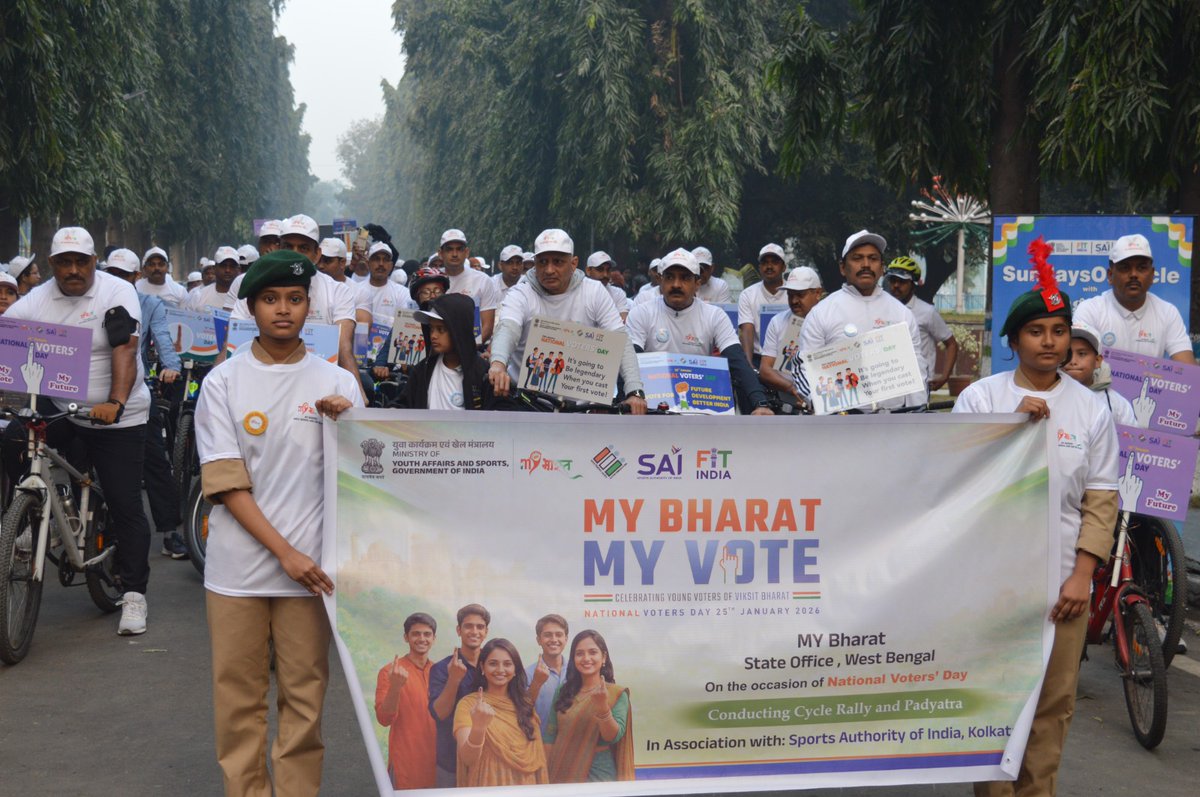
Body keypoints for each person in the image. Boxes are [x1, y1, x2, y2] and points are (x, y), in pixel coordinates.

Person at [194, 249, 363, 796]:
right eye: (270, 300)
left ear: (309, 306)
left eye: (294, 299)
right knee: (239, 703)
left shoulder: (337, 383)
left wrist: (351, 427)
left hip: (311, 575)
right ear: (251, 307)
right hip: (238, 571)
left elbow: (365, 478)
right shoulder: (222, 382)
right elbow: (227, 487)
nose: (283, 310)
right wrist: (285, 553)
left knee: (305, 700)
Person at [953, 239, 1118, 797]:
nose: (1050, 342)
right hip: (992, 581)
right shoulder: (981, 398)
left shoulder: (1091, 409)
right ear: (1013, 340)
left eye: (1058, 330)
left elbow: (1100, 499)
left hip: (1062, 586)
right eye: (1035, 331)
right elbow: (955, 484)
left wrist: (1082, 574)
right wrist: (1008, 428)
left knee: (1053, 706)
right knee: (996, 701)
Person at [4, 227, 153, 635]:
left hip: (117, 413)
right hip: (64, 409)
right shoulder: (39, 298)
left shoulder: (114, 292)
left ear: (93, 262)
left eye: (81, 262)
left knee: (125, 504)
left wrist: (116, 402)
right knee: (12, 438)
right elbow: (6, 335)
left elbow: (125, 346)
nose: (73, 270)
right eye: (63, 262)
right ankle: (25, 520)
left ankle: (135, 594)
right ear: (50, 264)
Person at [488, 229, 648, 413]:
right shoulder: (521, 292)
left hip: (582, 407)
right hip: (527, 403)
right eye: (542, 262)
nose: (549, 270)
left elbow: (620, 340)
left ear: (573, 263)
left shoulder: (594, 291)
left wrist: (635, 390)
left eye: (558, 262)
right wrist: (498, 364)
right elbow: (508, 327)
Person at [103, 249, 188, 559]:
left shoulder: (150, 304)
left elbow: (163, 338)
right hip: (89, 389)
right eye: (111, 274)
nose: (116, 281)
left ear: (134, 278)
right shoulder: (88, 302)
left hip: (135, 388)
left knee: (154, 457)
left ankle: (169, 532)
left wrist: (171, 366)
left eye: (124, 276)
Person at [625, 248, 774, 415]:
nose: (676, 284)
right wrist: (633, 394)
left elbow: (738, 361)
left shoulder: (714, 315)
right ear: (661, 281)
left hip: (698, 408)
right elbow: (629, 358)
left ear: (697, 283)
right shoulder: (641, 312)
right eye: (669, 277)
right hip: (651, 407)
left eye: (685, 278)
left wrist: (760, 403)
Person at [798, 230, 926, 408]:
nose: (866, 264)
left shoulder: (902, 314)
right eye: (857, 258)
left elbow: (916, 369)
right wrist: (826, 406)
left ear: (882, 268)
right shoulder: (821, 313)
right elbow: (805, 369)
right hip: (840, 424)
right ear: (843, 267)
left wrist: (916, 414)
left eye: (873, 258)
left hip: (892, 423)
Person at [231, 215, 361, 390]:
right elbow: (233, 340)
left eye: (303, 248)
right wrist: (218, 379)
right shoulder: (255, 284)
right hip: (257, 380)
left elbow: (343, 346)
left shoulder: (338, 291)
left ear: (317, 254)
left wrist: (356, 391)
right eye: (270, 299)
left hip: (319, 384)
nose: (294, 254)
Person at [1073, 233, 1196, 364]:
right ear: (1110, 275)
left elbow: (1187, 370)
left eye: (1141, 268)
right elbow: (1077, 366)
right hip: (1099, 385)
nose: (1133, 274)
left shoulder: (1168, 312)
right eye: (1125, 268)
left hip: (1150, 384)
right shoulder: (1090, 310)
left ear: (1152, 275)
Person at [453, 638, 548, 787]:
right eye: (493, 663)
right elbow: (467, 758)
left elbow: (537, 758)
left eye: (507, 664)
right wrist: (479, 727)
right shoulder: (468, 705)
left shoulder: (524, 704)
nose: (500, 670)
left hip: (526, 786)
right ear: (482, 667)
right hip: (488, 785)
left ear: (515, 670)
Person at [544, 629, 633, 783]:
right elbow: (550, 735)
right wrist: (546, 777)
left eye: (593, 652)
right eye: (579, 654)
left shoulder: (616, 694)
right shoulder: (563, 692)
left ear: (603, 657)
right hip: (561, 771)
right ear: (573, 659)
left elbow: (612, 736)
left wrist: (603, 707)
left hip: (598, 775)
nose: (586, 658)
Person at [399, 294, 506, 410]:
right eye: (431, 328)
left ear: (459, 330)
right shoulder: (423, 369)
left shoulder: (482, 373)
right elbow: (403, 403)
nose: (433, 335)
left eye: (441, 329)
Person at [428, 604, 491, 787]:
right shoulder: (441, 668)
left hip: (487, 760)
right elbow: (439, 713)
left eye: (480, 627)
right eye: (468, 626)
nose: (474, 631)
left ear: (486, 632)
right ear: (459, 630)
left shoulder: (493, 666)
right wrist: (454, 679)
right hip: (450, 763)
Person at [375, 612, 438, 790]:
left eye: (427, 634)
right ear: (406, 637)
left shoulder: (440, 672)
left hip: (438, 762)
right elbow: (383, 719)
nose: (422, 639)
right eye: (416, 634)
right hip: (406, 761)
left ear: (434, 639)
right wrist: (395, 686)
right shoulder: (390, 671)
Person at [882, 255, 959, 392]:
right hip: (889, 383)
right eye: (893, 280)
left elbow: (951, 344)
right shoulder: (883, 310)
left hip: (919, 384)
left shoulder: (927, 311)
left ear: (913, 284)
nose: (896, 286)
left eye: (902, 282)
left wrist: (944, 376)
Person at [370, 267, 448, 382]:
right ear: (416, 297)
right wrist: (380, 368)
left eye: (437, 291)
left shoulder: (452, 320)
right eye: (426, 292)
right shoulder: (405, 322)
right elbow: (384, 356)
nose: (432, 296)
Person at [759, 266, 823, 405]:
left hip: (824, 402)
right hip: (786, 405)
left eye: (800, 295)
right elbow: (765, 369)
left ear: (818, 293)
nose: (794, 301)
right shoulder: (777, 322)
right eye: (790, 295)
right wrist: (792, 388)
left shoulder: (830, 321)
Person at [1064, 322, 1137, 427]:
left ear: (1097, 361)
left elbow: (1129, 441)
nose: (1073, 361)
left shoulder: (1117, 404)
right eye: (1067, 354)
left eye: (1082, 354)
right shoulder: (1046, 394)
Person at [438, 229, 501, 345]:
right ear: (440, 253)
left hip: (471, 350)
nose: (455, 254)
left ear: (466, 252)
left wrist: (467, 350)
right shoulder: (432, 280)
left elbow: (487, 326)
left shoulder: (483, 280)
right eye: (449, 249)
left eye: (459, 249)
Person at [737, 243, 789, 363]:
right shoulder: (748, 294)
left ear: (784, 267)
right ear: (760, 267)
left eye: (774, 262)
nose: (769, 266)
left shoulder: (793, 293)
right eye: (764, 263)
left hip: (788, 357)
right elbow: (747, 331)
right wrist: (749, 366)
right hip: (757, 358)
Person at [355, 242, 414, 328]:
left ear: (391, 266)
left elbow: (406, 326)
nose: (381, 264)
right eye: (376, 259)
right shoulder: (355, 290)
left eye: (385, 260)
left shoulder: (403, 293)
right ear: (368, 263)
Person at [527, 614, 568, 729]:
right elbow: (521, 711)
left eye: (559, 635)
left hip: (572, 743)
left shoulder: (577, 670)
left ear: (566, 639)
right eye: (548, 635)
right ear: (538, 640)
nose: (554, 639)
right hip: (540, 743)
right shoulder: (527, 674)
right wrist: (536, 682)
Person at [188, 246, 240, 312]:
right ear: (215, 268)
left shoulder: (246, 297)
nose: (227, 270)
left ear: (238, 270)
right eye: (223, 265)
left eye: (232, 266)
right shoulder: (199, 296)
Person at [584, 251, 630, 321]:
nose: (605, 274)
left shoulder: (618, 294)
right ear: (588, 270)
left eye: (608, 270)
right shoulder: (579, 291)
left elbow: (623, 322)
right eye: (600, 269)